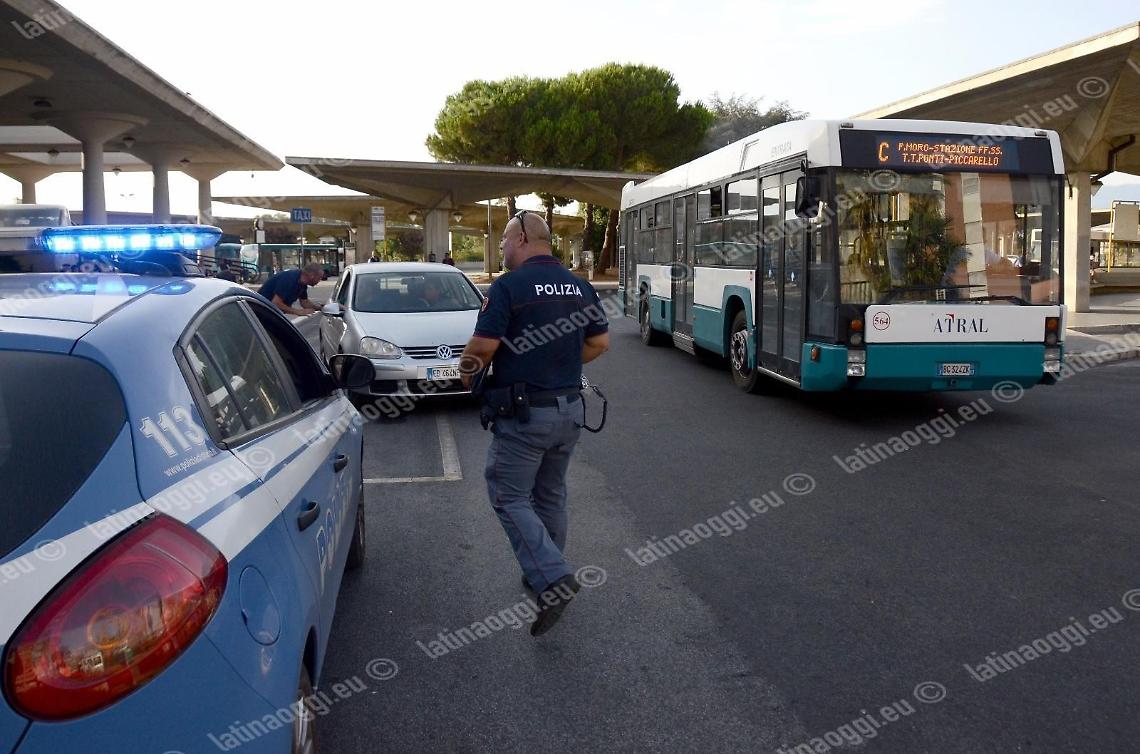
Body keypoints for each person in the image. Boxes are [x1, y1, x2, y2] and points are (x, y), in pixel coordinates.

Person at [460, 211, 610, 637]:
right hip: (569, 410)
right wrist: (559, 363)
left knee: (507, 494)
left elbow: (482, 349)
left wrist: (465, 375)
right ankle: (545, 571)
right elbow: (600, 342)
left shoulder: (509, 287)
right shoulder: (579, 286)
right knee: (550, 493)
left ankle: (552, 577)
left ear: (523, 238)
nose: (502, 248)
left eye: (505, 240)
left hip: (527, 416)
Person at [257, 262, 323, 316]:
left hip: (271, 312)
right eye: (319, 278)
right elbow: (276, 303)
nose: (319, 281)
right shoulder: (289, 279)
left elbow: (304, 302)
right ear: (312, 275)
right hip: (259, 310)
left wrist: (320, 308)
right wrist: (298, 311)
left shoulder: (302, 283)